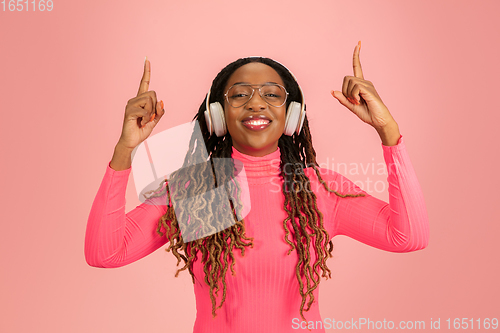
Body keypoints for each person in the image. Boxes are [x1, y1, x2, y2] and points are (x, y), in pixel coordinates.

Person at [85, 41, 430, 333]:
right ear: (217, 114)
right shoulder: (198, 192)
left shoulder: (318, 189)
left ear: (292, 114)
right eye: (239, 94)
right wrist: (124, 150)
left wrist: (388, 131)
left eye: (271, 94)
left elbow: (408, 236)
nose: (255, 103)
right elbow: (106, 253)